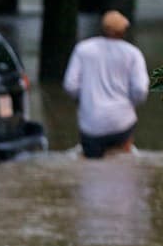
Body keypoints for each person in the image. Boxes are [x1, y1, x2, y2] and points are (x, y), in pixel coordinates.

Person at [63, 9, 150, 158]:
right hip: (122, 122)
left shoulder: (83, 49)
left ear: (102, 28)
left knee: (91, 169)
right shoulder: (133, 53)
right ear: (124, 30)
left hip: (91, 124)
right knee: (124, 166)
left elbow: (70, 85)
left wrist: (83, 100)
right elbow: (140, 90)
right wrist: (131, 104)